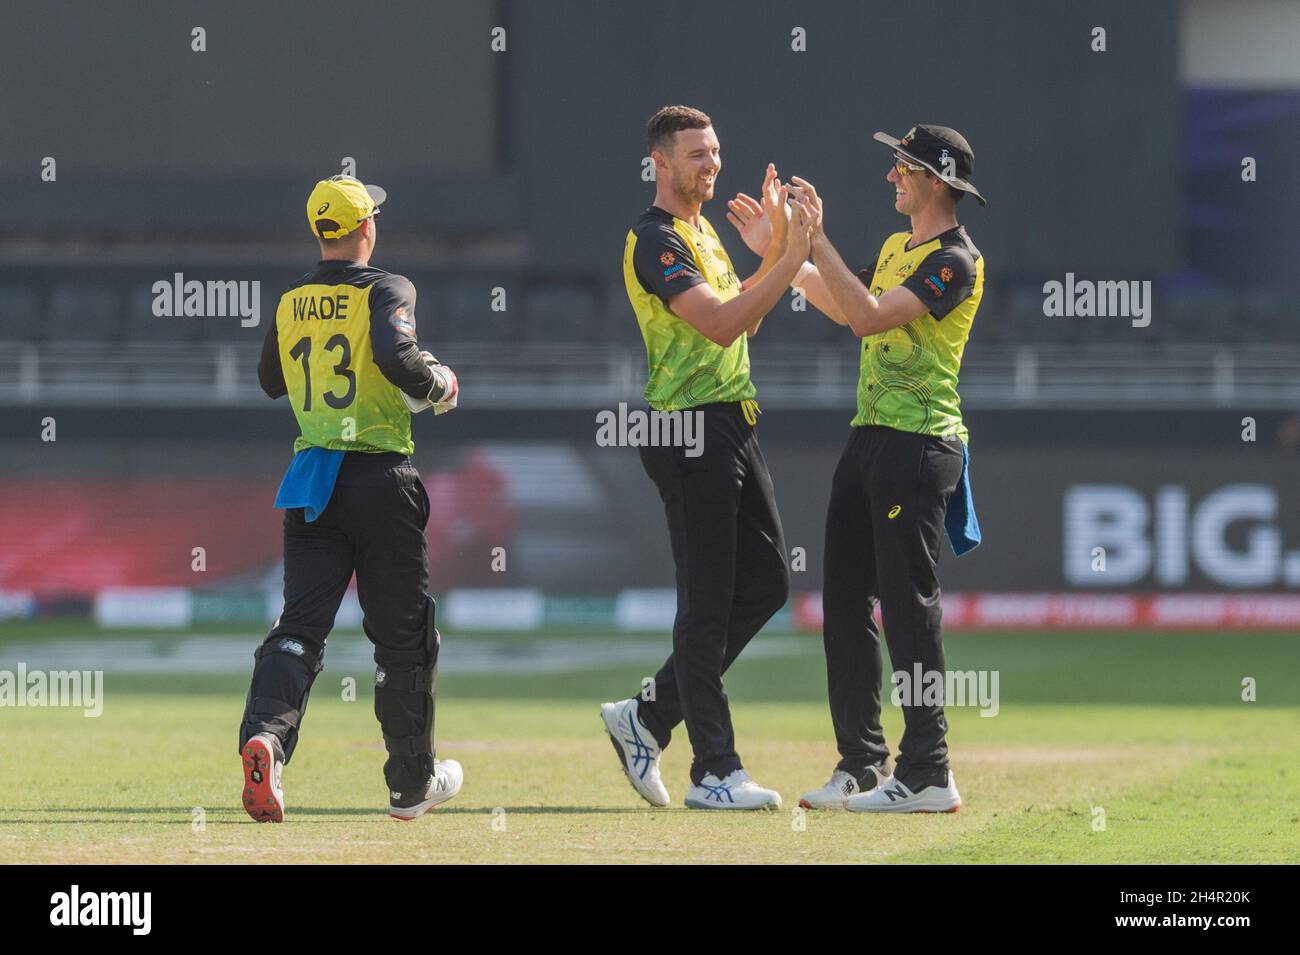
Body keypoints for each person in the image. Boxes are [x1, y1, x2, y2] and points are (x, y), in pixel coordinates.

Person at [600, 105, 813, 810]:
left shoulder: (705, 232)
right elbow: (721, 325)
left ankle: (649, 716)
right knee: (706, 605)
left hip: (732, 423)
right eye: (696, 154)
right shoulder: (656, 240)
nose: (711, 164)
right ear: (659, 162)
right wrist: (787, 257)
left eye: (715, 151)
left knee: (767, 586)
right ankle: (714, 771)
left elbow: (743, 313)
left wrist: (770, 259)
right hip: (686, 432)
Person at [774, 125, 986, 812]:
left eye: (902, 166)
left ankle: (928, 768)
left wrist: (816, 241)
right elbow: (847, 304)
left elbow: (869, 318)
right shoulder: (900, 247)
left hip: (918, 443)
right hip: (870, 437)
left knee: (906, 606)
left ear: (932, 177)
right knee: (844, 600)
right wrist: (790, 258)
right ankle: (862, 764)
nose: (892, 176)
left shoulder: (956, 259)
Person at [238, 175, 463, 822]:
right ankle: (410, 782)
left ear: (321, 232)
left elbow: (269, 380)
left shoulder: (291, 299)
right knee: (403, 636)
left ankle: (268, 740)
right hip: (379, 475)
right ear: (367, 228)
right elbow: (398, 360)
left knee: (301, 626)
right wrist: (440, 384)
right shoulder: (389, 287)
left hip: (312, 480)